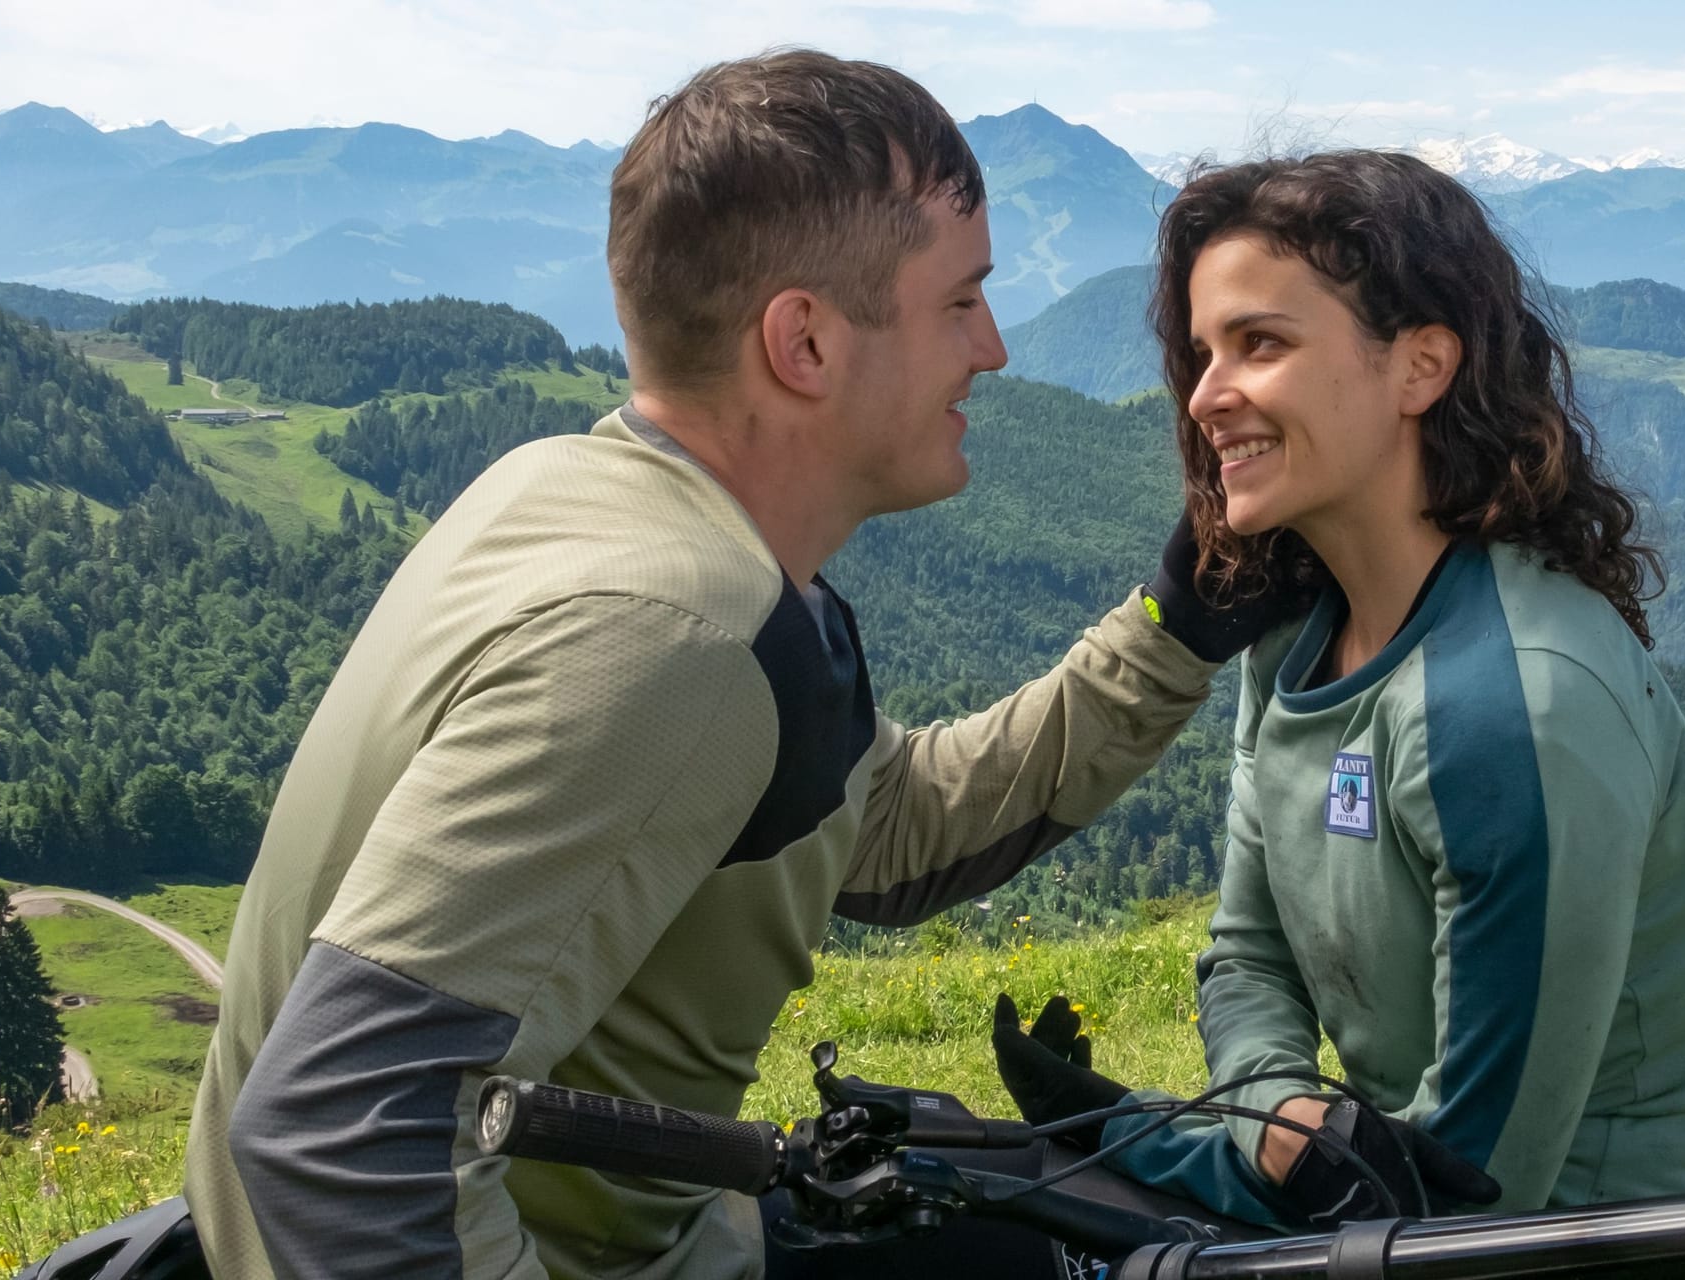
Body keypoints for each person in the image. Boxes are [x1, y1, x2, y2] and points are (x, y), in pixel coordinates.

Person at [184, 51, 1296, 1280]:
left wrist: (1175, 627)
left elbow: (883, 827)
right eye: (960, 302)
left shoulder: (580, 494)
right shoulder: (674, 632)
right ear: (805, 340)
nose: (993, 348)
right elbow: (344, 1129)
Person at [997, 149, 1685, 1233]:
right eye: (1203, 352)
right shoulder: (1294, 638)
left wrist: (1136, 1135)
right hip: (1375, 1225)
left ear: (1421, 366)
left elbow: (1462, 1199)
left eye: (1262, 343)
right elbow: (1245, 956)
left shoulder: (1516, 708)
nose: (1205, 395)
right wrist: (1285, 1117)